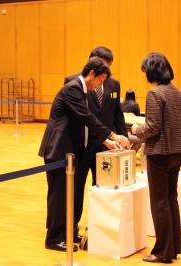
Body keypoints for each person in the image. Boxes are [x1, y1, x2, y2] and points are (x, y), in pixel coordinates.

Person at [39, 57, 123, 252]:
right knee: (58, 196)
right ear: (92, 73)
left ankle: (65, 232)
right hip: (58, 148)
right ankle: (53, 238)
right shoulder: (73, 88)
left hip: (69, 149)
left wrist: (107, 141)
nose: (101, 84)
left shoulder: (82, 89)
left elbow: (86, 121)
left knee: (66, 194)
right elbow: (87, 117)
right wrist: (111, 134)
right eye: (100, 79)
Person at [64, 47, 130, 239]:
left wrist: (122, 137)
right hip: (83, 146)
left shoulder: (114, 85)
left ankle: (99, 226)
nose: (106, 69)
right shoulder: (73, 82)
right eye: (102, 64)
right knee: (77, 188)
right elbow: (82, 116)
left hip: (106, 147)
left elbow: (117, 114)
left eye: (109, 65)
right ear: (92, 63)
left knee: (103, 189)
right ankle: (72, 227)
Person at [132, 52, 181, 263]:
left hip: (159, 154)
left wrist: (137, 129)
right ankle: (173, 247)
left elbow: (153, 127)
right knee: (171, 198)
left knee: (160, 202)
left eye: (145, 70)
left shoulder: (155, 94)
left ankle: (163, 251)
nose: (144, 74)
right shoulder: (178, 93)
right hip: (176, 152)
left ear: (153, 70)